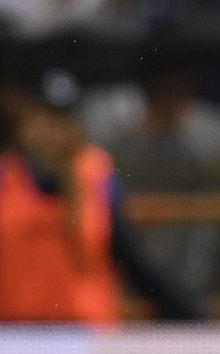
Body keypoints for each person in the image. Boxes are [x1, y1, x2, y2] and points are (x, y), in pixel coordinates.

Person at [0, 68, 204, 323]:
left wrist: (190, 314)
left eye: (63, 120)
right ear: (25, 124)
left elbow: (132, 257)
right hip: (14, 336)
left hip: (86, 334)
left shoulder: (98, 177)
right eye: (45, 120)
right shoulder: (5, 179)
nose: (54, 134)